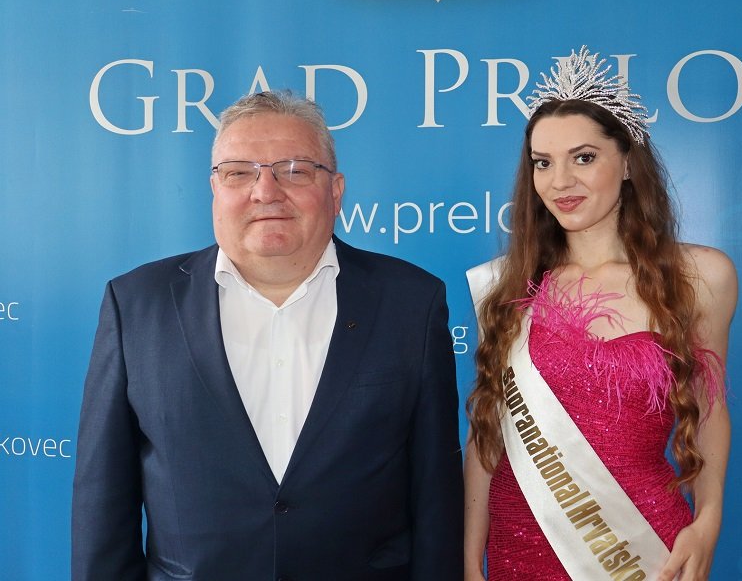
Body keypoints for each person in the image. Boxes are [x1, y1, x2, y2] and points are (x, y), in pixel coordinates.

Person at [72, 91, 463, 581]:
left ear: (336, 191)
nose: (265, 191)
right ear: (214, 189)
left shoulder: (411, 302)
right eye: (239, 172)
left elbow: (436, 496)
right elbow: (103, 501)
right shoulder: (136, 304)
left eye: (295, 170)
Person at [463, 47, 737, 581]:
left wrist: (708, 521)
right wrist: (471, 560)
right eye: (543, 162)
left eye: (583, 158)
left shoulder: (701, 276)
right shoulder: (506, 287)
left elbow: (709, 409)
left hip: (643, 548)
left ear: (628, 162)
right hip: (521, 545)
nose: (560, 181)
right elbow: (487, 433)